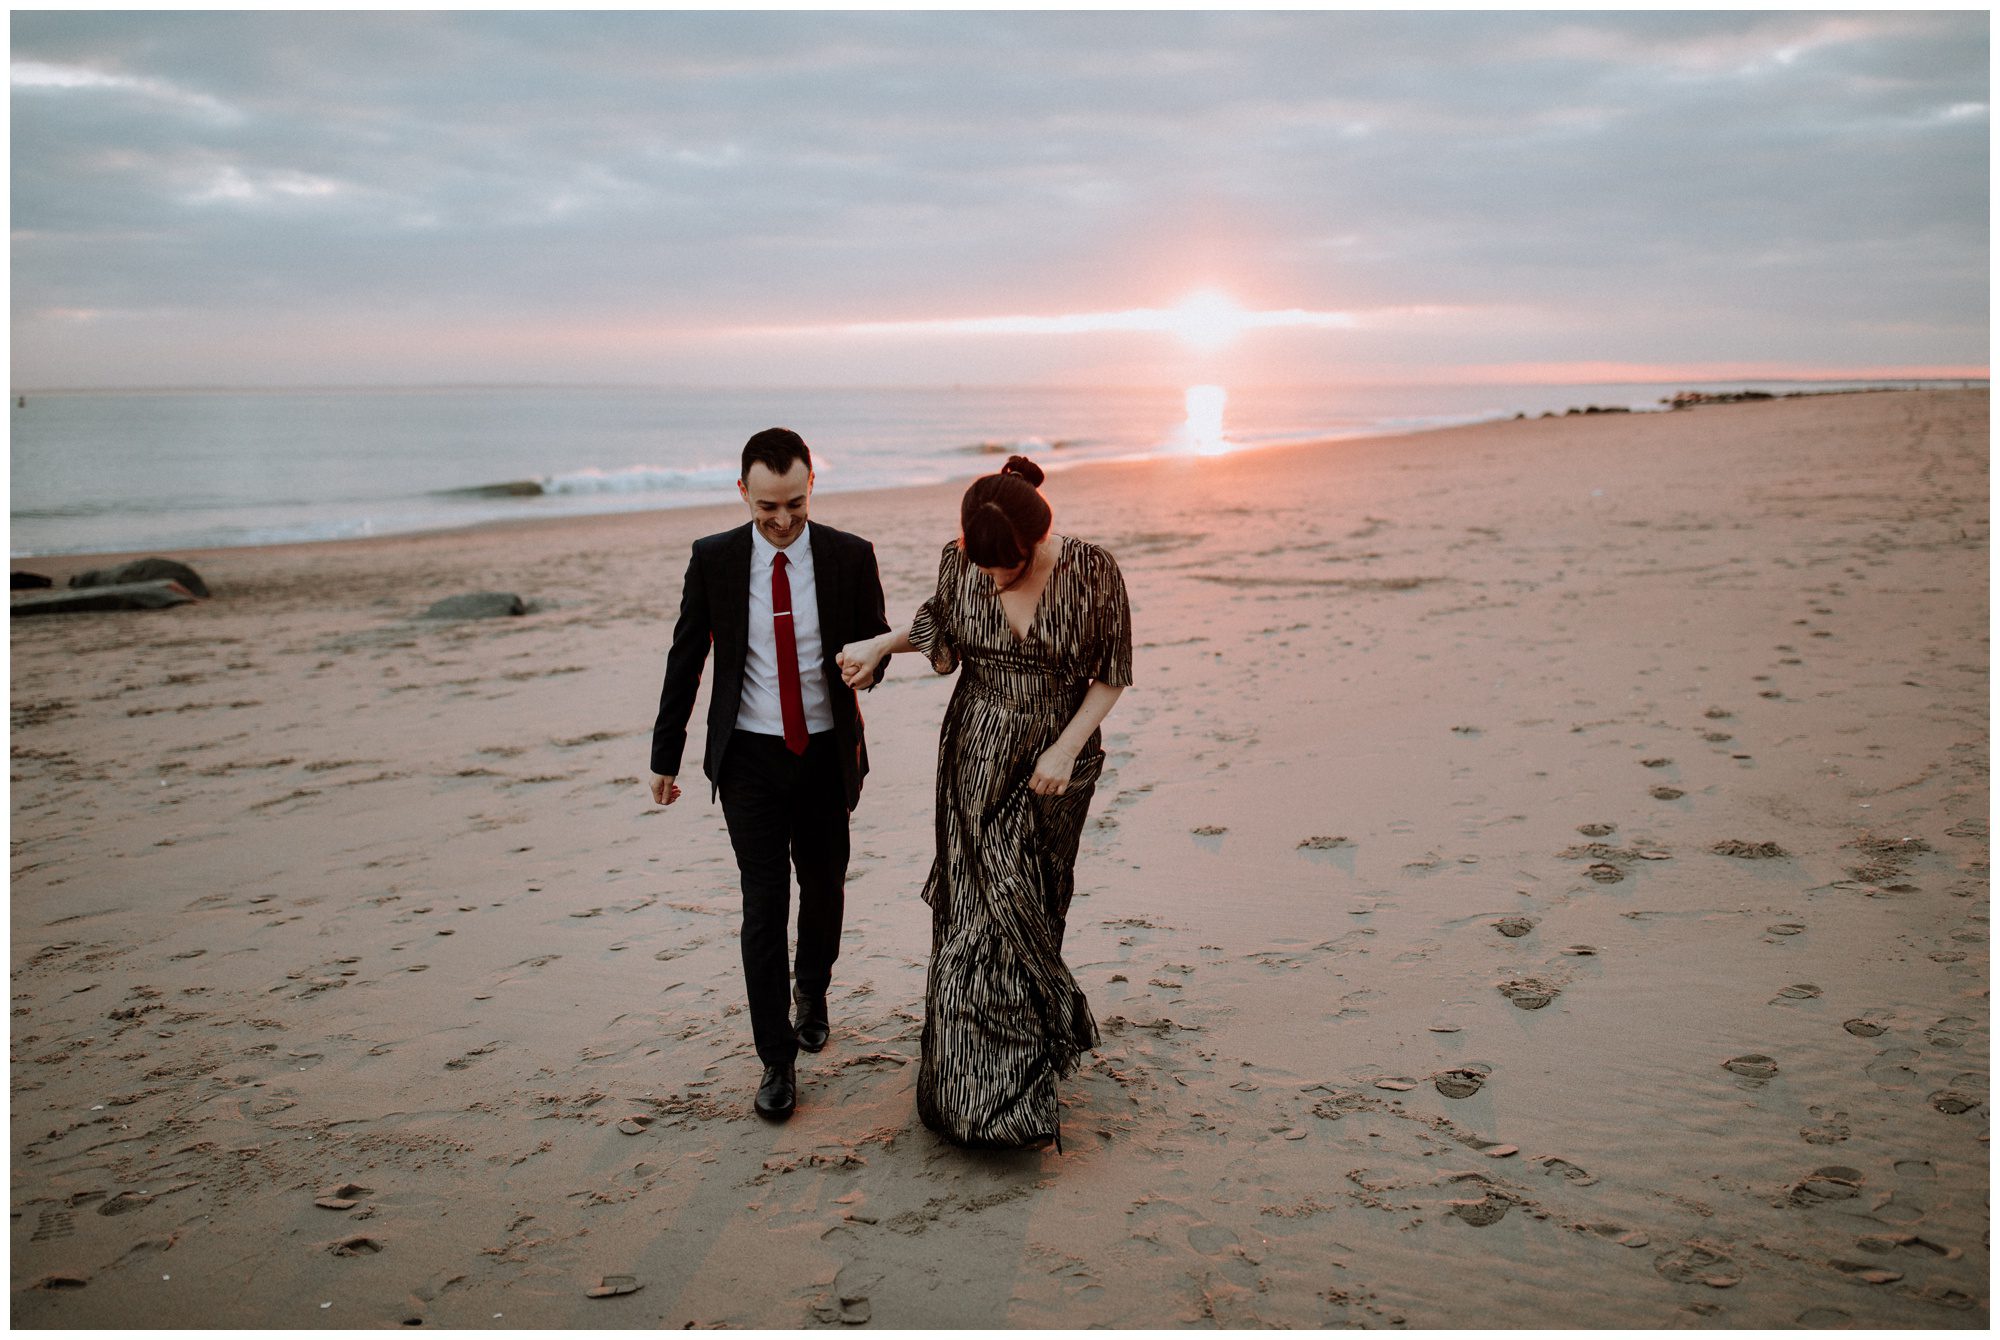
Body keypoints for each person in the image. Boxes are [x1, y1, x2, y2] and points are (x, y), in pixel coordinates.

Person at [838, 456, 1131, 1149]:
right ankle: (979, 1102)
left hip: (1058, 765)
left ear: (1038, 539)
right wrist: (882, 644)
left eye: (1009, 568)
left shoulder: (1093, 572)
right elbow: (940, 627)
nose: (995, 580)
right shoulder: (962, 561)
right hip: (975, 754)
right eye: (984, 566)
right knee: (977, 916)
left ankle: (1021, 1069)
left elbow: (1112, 673)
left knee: (1034, 904)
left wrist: (1065, 747)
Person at [649, 427, 891, 1121]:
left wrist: (868, 666)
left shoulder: (850, 556)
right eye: (767, 508)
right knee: (764, 905)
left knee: (822, 887)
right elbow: (686, 658)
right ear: (743, 494)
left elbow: (875, 643)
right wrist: (666, 756)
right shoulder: (716, 560)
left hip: (822, 753)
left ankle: (812, 989)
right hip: (749, 759)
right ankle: (776, 1060)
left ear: (812, 484)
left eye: (794, 504)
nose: (782, 522)